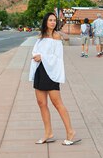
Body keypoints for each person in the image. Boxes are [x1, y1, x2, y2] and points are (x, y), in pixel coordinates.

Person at [29, 12, 79, 146]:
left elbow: (57, 57)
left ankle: (70, 131)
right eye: (50, 20)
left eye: (54, 20)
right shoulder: (41, 36)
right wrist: (36, 56)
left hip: (51, 72)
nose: (53, 22)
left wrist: (42, 57)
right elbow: (35, 51)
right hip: (40, 70)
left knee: (57, 103)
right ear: (45, 21)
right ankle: (48, 133)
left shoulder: (57, 37)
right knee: (41, 103)